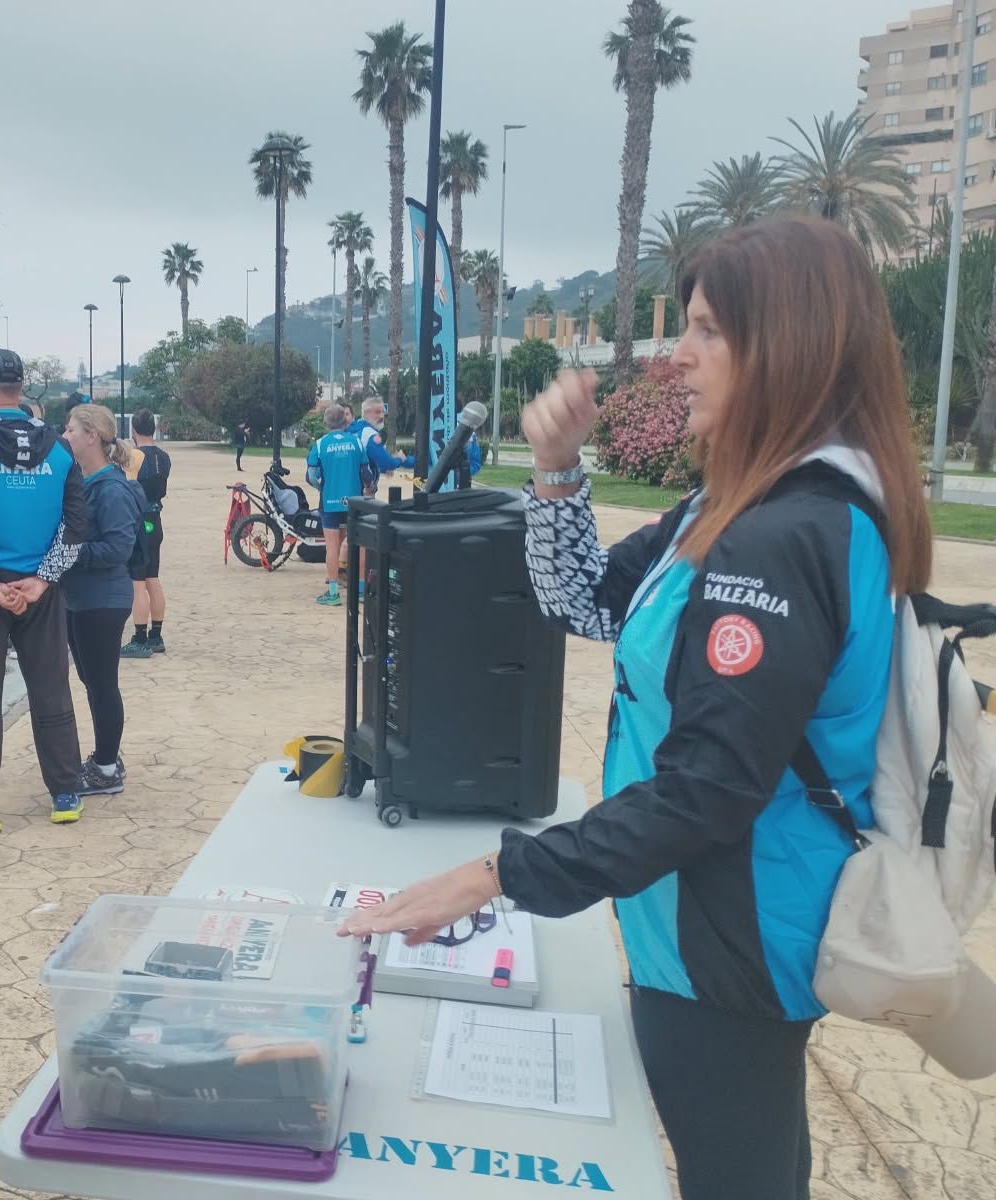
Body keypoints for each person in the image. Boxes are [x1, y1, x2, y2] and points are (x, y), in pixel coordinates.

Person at [341, 217, 933, 1200]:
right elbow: (584, 602)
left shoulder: (782, 536)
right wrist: (557, 470)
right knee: (751, 1160)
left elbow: (704, 794)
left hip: (731, 937)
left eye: (706, 332)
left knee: (737, 1167)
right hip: (696, 919)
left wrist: (493, 874)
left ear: (784, 346)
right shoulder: (734, 504)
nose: (678, 359)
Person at [0, 348, 89, 832]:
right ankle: (66, 794)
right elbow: (76, 526)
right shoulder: (60, 447)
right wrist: (44, 579)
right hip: (42, 591)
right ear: (22, 388)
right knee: (51, 688)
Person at [61, 403, 144, 797]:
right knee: (93, 681)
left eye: (71, 430)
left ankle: (107, 769)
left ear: (92, 436)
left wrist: (68, 553)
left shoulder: (111, 488)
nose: (66, 436)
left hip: (103, 600)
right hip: (80, 599)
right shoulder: (86, 480)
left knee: (103, 685)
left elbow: (118, 547)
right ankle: (105, 757)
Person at [305, 404, 369, 607]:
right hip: (355, 503)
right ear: (345, 421)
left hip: (330, 503)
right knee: (358, 546)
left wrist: (322, 487)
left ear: (325, 423)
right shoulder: (357, 443)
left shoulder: (321, 445)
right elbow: (366, 474)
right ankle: (360, 591)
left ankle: (333, 593)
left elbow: (312, 476)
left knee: (332, 547)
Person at [123, 408, 172, 658]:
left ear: (133, 430)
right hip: (156, 519)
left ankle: (139, 637)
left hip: (138, 521)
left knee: (137, 583)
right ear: (155, 428)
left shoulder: (133, 456)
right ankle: (156, 635)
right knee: (153, 577)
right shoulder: (164, 457)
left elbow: (127, 486)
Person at [348, 397, 414, 487]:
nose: (382, 416)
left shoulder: (351, 429)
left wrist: (383, 469)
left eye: (383, 412)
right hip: (360, 489)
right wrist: (401, 459)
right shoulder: (369, 434)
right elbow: (387, 463)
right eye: (377, 412)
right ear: (366, 413)